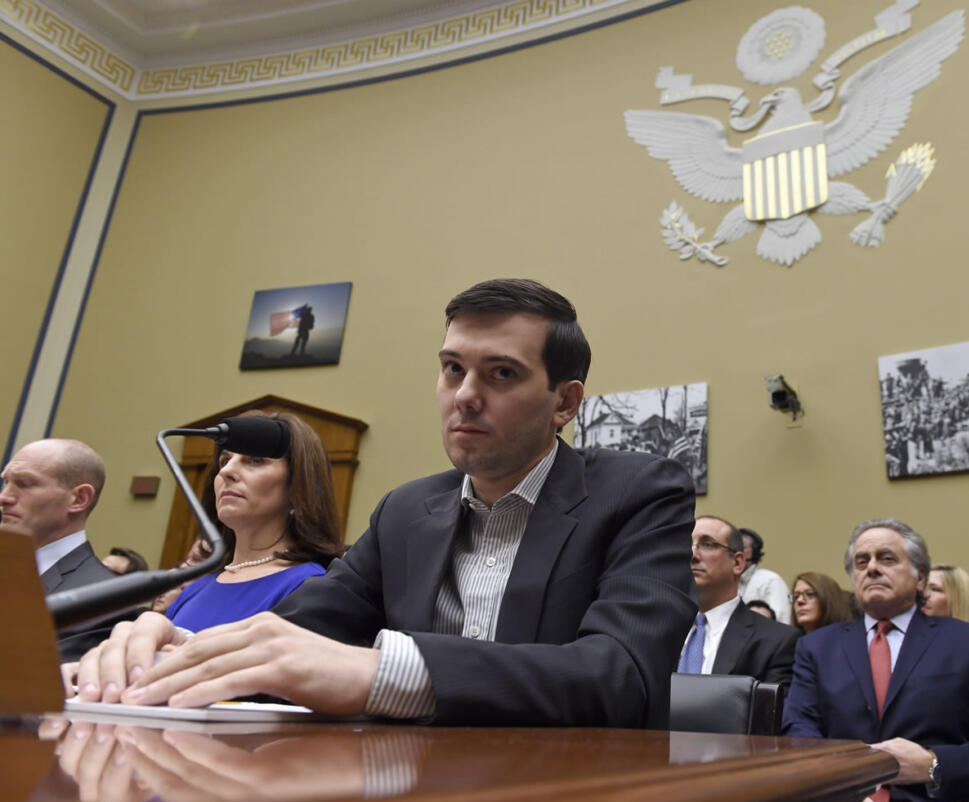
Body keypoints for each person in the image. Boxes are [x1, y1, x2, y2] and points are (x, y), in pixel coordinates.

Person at [72, 278, 696, 728]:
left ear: (564, 403)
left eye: (500, 374)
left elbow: (623, 677)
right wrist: (174, 644)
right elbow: (295, 632)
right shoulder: (406, 510)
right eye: (453, 369)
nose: (465, 396)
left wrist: (381, 672)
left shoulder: (640, 491)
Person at [783, 518, 969, 802]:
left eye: (887, 559)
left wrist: (933, 764)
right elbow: (800, 730)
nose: (872, 568)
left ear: (921, 578)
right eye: (861, 562)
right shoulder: (817, 647)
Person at [164, 410, 345, 632]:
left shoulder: (308, 587)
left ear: (298, 485)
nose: (227, 471)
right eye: (224, 460)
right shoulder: (195, 589)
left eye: (256, 460)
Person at [1, 438, 133, 661]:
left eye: (24, 484)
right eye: (6, 482)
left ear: (78, 499)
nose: (4, 497)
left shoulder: (105, 601)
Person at [677, 516, 797, 686]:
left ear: (738, 563)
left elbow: (769, 711)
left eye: (708, 544)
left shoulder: (776, 641)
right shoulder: (658, 629)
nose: (693, 555)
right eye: (685, 545)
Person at [737, 527, 792, 624]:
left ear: (754, 552)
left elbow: (781, 623)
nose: (735, 553)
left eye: (740, 548)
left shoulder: (771, 580)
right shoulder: (725, 583)